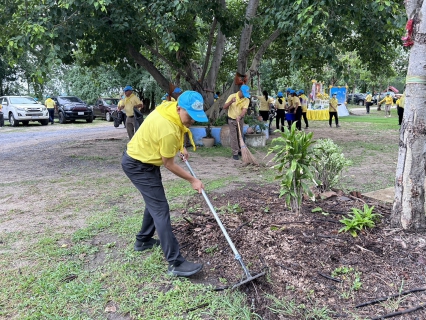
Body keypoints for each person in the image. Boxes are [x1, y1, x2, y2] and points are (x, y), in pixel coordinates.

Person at [121, 91, 207, 277]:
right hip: (138, 165)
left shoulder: (169, 108)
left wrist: (181, 146)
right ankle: (175, 262)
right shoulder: (167, 127)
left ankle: (143, 240)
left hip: (146, 161)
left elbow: (177, 129)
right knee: (160, 208)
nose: (192, 120)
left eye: (195, 116)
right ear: (179, 108)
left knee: (154, 203)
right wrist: (193, 180)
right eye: (189, 116)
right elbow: (169, 163)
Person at [223, 84, 251, 160]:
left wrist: (240, 116)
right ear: (240, 91)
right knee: (233, 136)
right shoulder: (232, 96)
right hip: (231, 119)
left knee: (240, 135)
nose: (245, 96)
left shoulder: (246, 100)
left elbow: (244, 110)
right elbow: (224, 107)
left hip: (240, 119)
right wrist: (231, 102)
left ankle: (240, 150)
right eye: (244, 94)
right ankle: (235, 153)